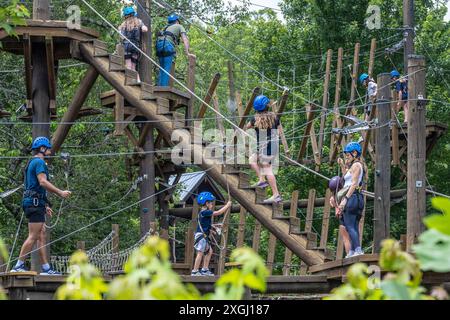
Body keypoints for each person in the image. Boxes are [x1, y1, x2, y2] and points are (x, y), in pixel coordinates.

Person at [11, 137, 72, 275]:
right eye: (48, 148)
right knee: (33, 236)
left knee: (41, 235)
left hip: (34, 203)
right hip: (34, 203)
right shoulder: (39, 162)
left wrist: (44, 205)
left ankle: (46, 268)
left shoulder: (32, 162)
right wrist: (60, 192)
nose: (50, 150)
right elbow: (43, 182)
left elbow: (34, 187)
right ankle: (18, 265)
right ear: (42, 148)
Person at [245, 95, 282, 204]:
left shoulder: (254, 119)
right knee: (252, 159)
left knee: (267, 169)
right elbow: (279, 131)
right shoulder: (275, 117)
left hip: (265, 147)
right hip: (273, 146)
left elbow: (247, 127)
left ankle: (276, 195)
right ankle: (262, 180)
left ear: (256, 108)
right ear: (267, 106)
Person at [335, 142, 366, 257]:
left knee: (349, 226)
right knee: (352, 225)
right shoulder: (353, 166)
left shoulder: (357, 165)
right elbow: (347, 177)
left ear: (354, 153)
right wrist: (342, 165)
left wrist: (345, 199)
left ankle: (358, 250)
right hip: (356, 198)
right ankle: (353, 251)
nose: (346, 157)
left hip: (352, 197)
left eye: (348, 155)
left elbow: (353, 184)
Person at [191, 192, 232, 276]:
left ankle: (204, 269)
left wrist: (214, 227)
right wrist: (227, 205)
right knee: (200, 253)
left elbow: (205, 225)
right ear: (207, 203)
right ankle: (195, 271)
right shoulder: (205, 212)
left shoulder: (203, 213)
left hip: (203, 236)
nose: (212, 205)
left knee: (209, 251)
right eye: (211, 203)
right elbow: (218, 213)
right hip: (201, 236)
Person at [155, 13, 195, 86]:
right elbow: (185, 39)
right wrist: (187, 52)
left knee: (162, 68)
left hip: (159, 45)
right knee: (167, 68)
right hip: (168, 45)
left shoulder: (165, 27)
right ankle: (163, 89)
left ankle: (158, 87)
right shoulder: (179, 26)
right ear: (177, 21)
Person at [118, 5, 148, 82]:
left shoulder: (123, 25)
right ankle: (138, 80)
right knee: (133, 66)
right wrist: (142, 27)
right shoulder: (138, 22)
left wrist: (120, 30)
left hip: (127, 46)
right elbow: (145, 29)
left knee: (128, 65)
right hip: (135, 46)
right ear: (133, 14)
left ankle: (129, 80)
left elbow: (121, 37)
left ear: (125, 16)